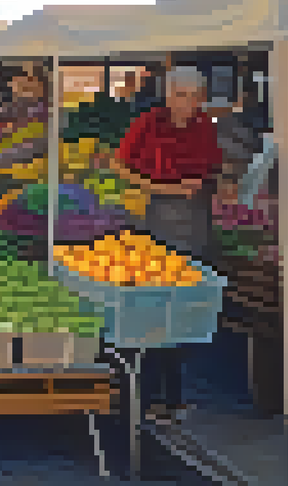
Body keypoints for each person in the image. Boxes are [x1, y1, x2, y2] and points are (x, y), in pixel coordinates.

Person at [114, 66, 223, 425]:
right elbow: (120, 167)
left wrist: (223, 185)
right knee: (152, 309)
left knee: (183, 311)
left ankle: (172, 397)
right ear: (167, 94)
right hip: (154, 219)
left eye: (194, 96)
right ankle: (146, 397)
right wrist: (158, 187)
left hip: (193, 223)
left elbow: (213, 167)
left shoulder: (205, 125)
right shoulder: (148, 123)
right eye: (181, 95)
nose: (188, 103)